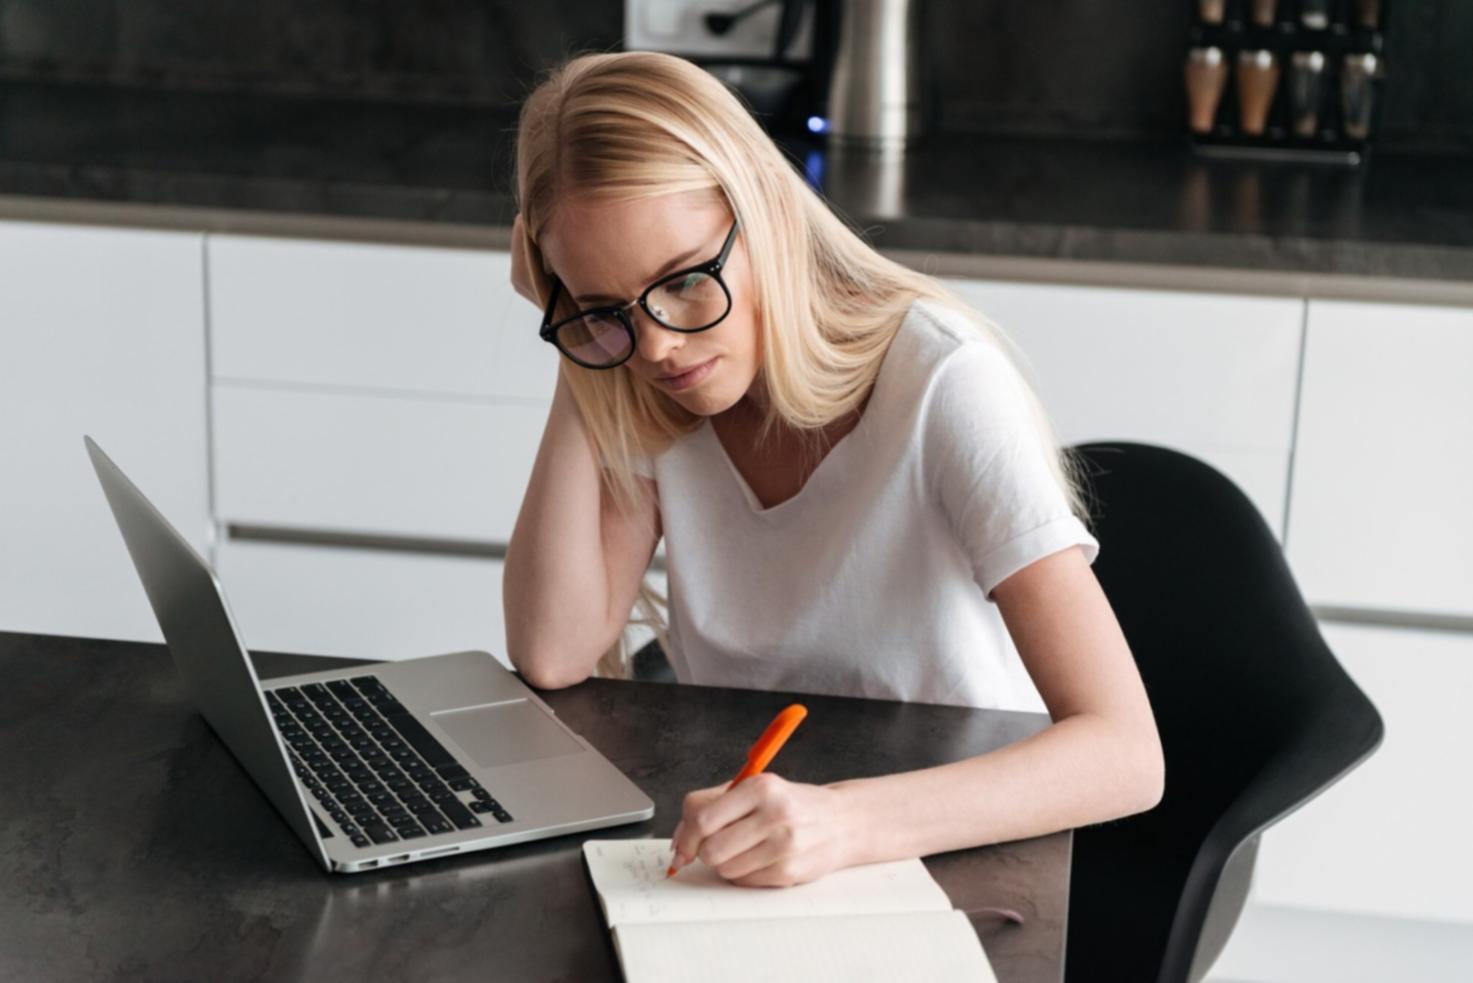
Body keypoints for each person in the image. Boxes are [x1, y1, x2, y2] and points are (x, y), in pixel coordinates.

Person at [502, 51, 1163, 888]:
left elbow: (1126, 754)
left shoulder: (938, 381)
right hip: (751, 834)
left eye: (682, 281)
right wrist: (583, 346)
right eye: (605, 307)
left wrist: (841, 823)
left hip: (951, 847)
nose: (661, 343)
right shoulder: (648, 376)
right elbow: (554, 650)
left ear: (766, 214)